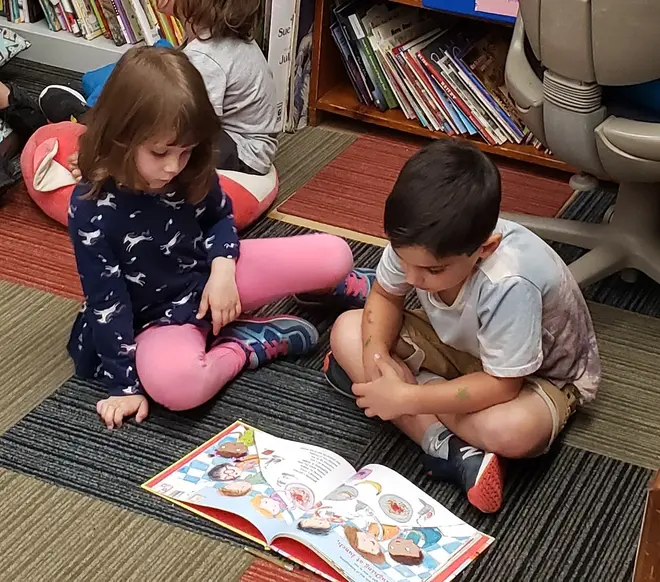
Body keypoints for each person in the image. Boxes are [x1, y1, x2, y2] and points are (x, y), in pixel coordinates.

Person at [67, 46, 360, 430]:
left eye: (185, 151)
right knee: (178, 386)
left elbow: (220, 219)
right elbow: (108, 301)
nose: (173, 167)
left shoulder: (190, 168)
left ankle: (324, 290)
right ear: (120, 136)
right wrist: (124, 386)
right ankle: (244, 343)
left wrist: (222, 272)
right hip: (157, 321)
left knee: (335, 255)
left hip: (214, 275)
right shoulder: (90, 208)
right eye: (160, 153)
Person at [324, 139, 601, 513]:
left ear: (485, 249)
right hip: (463, 350)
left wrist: (406, 397)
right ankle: (448, 446)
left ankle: (405, 407)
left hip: (534, 378)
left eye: (433, 270)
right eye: (403, 261)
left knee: (514, 431)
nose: (413, 278)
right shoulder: (416, 242)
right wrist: (377, 359)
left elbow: (503, 384)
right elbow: (386, 296)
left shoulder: (509, 282)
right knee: (347, 329)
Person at [40, 0, 277, 176]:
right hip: (236, 138)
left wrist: (108, 159)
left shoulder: (207, 57)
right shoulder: (210, 40)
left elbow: (189, 125)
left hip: (243, 151)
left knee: (149, 138)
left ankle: (89, 121)